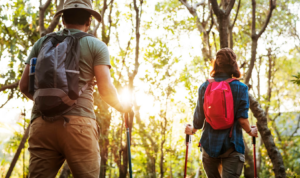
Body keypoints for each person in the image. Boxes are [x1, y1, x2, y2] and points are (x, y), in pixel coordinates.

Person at [19, 0, 131, 177]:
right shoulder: (96, 46)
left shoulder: (41, 44)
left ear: (63, 19)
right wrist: (125, 108)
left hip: (42, 124)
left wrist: (52, 102)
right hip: (79, 124)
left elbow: (24, 86)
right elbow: (106, 91)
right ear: (89, 21)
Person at [185, 48, 258, 178]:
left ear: (216, 64)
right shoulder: (241, 88)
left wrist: (193, 129)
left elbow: (198, 119)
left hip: (209, 145)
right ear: (234, 65)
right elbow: (242, 119)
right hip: (232, 145)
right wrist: (250, 131)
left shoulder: (205, 86)